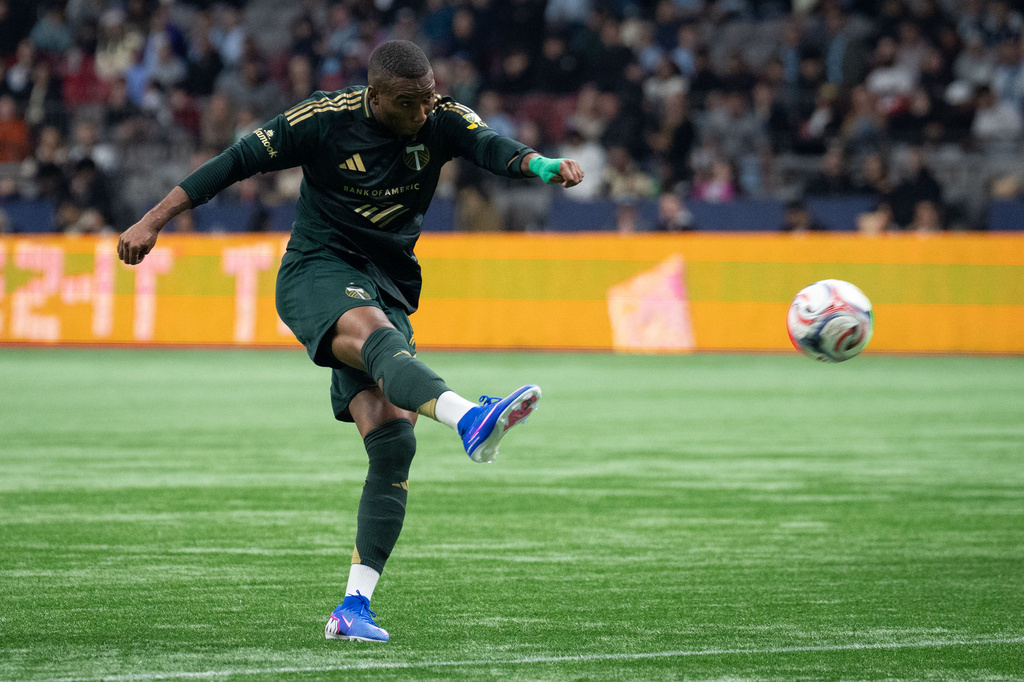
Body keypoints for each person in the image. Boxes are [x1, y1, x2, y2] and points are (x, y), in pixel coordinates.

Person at [116, 40, 583, 643]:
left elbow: (493, 147)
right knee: (376, 339)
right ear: (377, 96)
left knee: (393, 446)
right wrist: (154, 219)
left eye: (429, 97)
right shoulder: (324, 120)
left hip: (387, 282)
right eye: (410, 103)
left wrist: (545, 167)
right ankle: (471, 417)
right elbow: (234, 161)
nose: (425, 111)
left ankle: (352, 608)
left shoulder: (439, 116)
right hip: (318, 268)